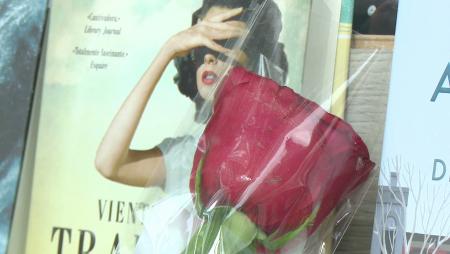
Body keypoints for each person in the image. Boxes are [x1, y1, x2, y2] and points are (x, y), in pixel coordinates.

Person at [94, 0, 288, 252]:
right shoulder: (188, 154)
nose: (209, 55)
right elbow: (109, 163)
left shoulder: (278, 158)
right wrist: (168, 50)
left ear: (257, 59)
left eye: (223, 42)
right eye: (200, 44)